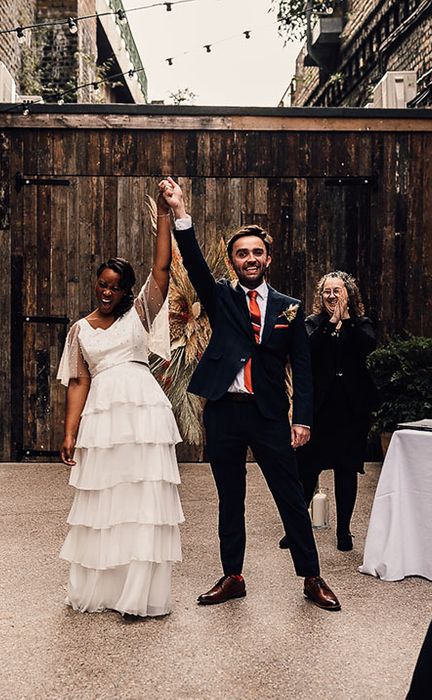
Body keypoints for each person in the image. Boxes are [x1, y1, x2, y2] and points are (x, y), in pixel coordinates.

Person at [161, 177, 341, 611]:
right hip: (224, 411)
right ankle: (233, 576)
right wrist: (179, 212)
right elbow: (195, 263)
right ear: (233, 260)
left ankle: (312, 577)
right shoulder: (221, 296)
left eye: (257, 252)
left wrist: (303, 418)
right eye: (242, 253)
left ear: (268, 259)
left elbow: (302, 367)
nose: (250, 259)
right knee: (230, 498)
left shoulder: (289, 307)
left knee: (290, 496)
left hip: (268, 414)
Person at [56, 181, 184, 617]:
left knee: (142, 499)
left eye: (115, 287)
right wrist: (70, 433)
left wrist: (165, 215)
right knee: (104, 502)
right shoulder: (79, 329)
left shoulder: (140, 316)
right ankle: (103, 588)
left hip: (143, 416)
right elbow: (78, 382)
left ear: (127, 290)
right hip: (103, 421)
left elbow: (162, 269)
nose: (106, 292)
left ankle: (138, 593)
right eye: (101, 285)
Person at [280, 271, 377, 552]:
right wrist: (332, 322)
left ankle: (344, 531)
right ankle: (296, 529)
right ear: (320, 297)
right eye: (327, 292)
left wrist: (345, 320)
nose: (332, 296)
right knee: (306, 472)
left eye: (338, 291)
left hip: (350, 411)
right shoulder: (312, 324)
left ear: (349, 294)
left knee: (346, 471)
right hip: (318, 410)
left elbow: (367, 346)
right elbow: (306, 352)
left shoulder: (361, 323)